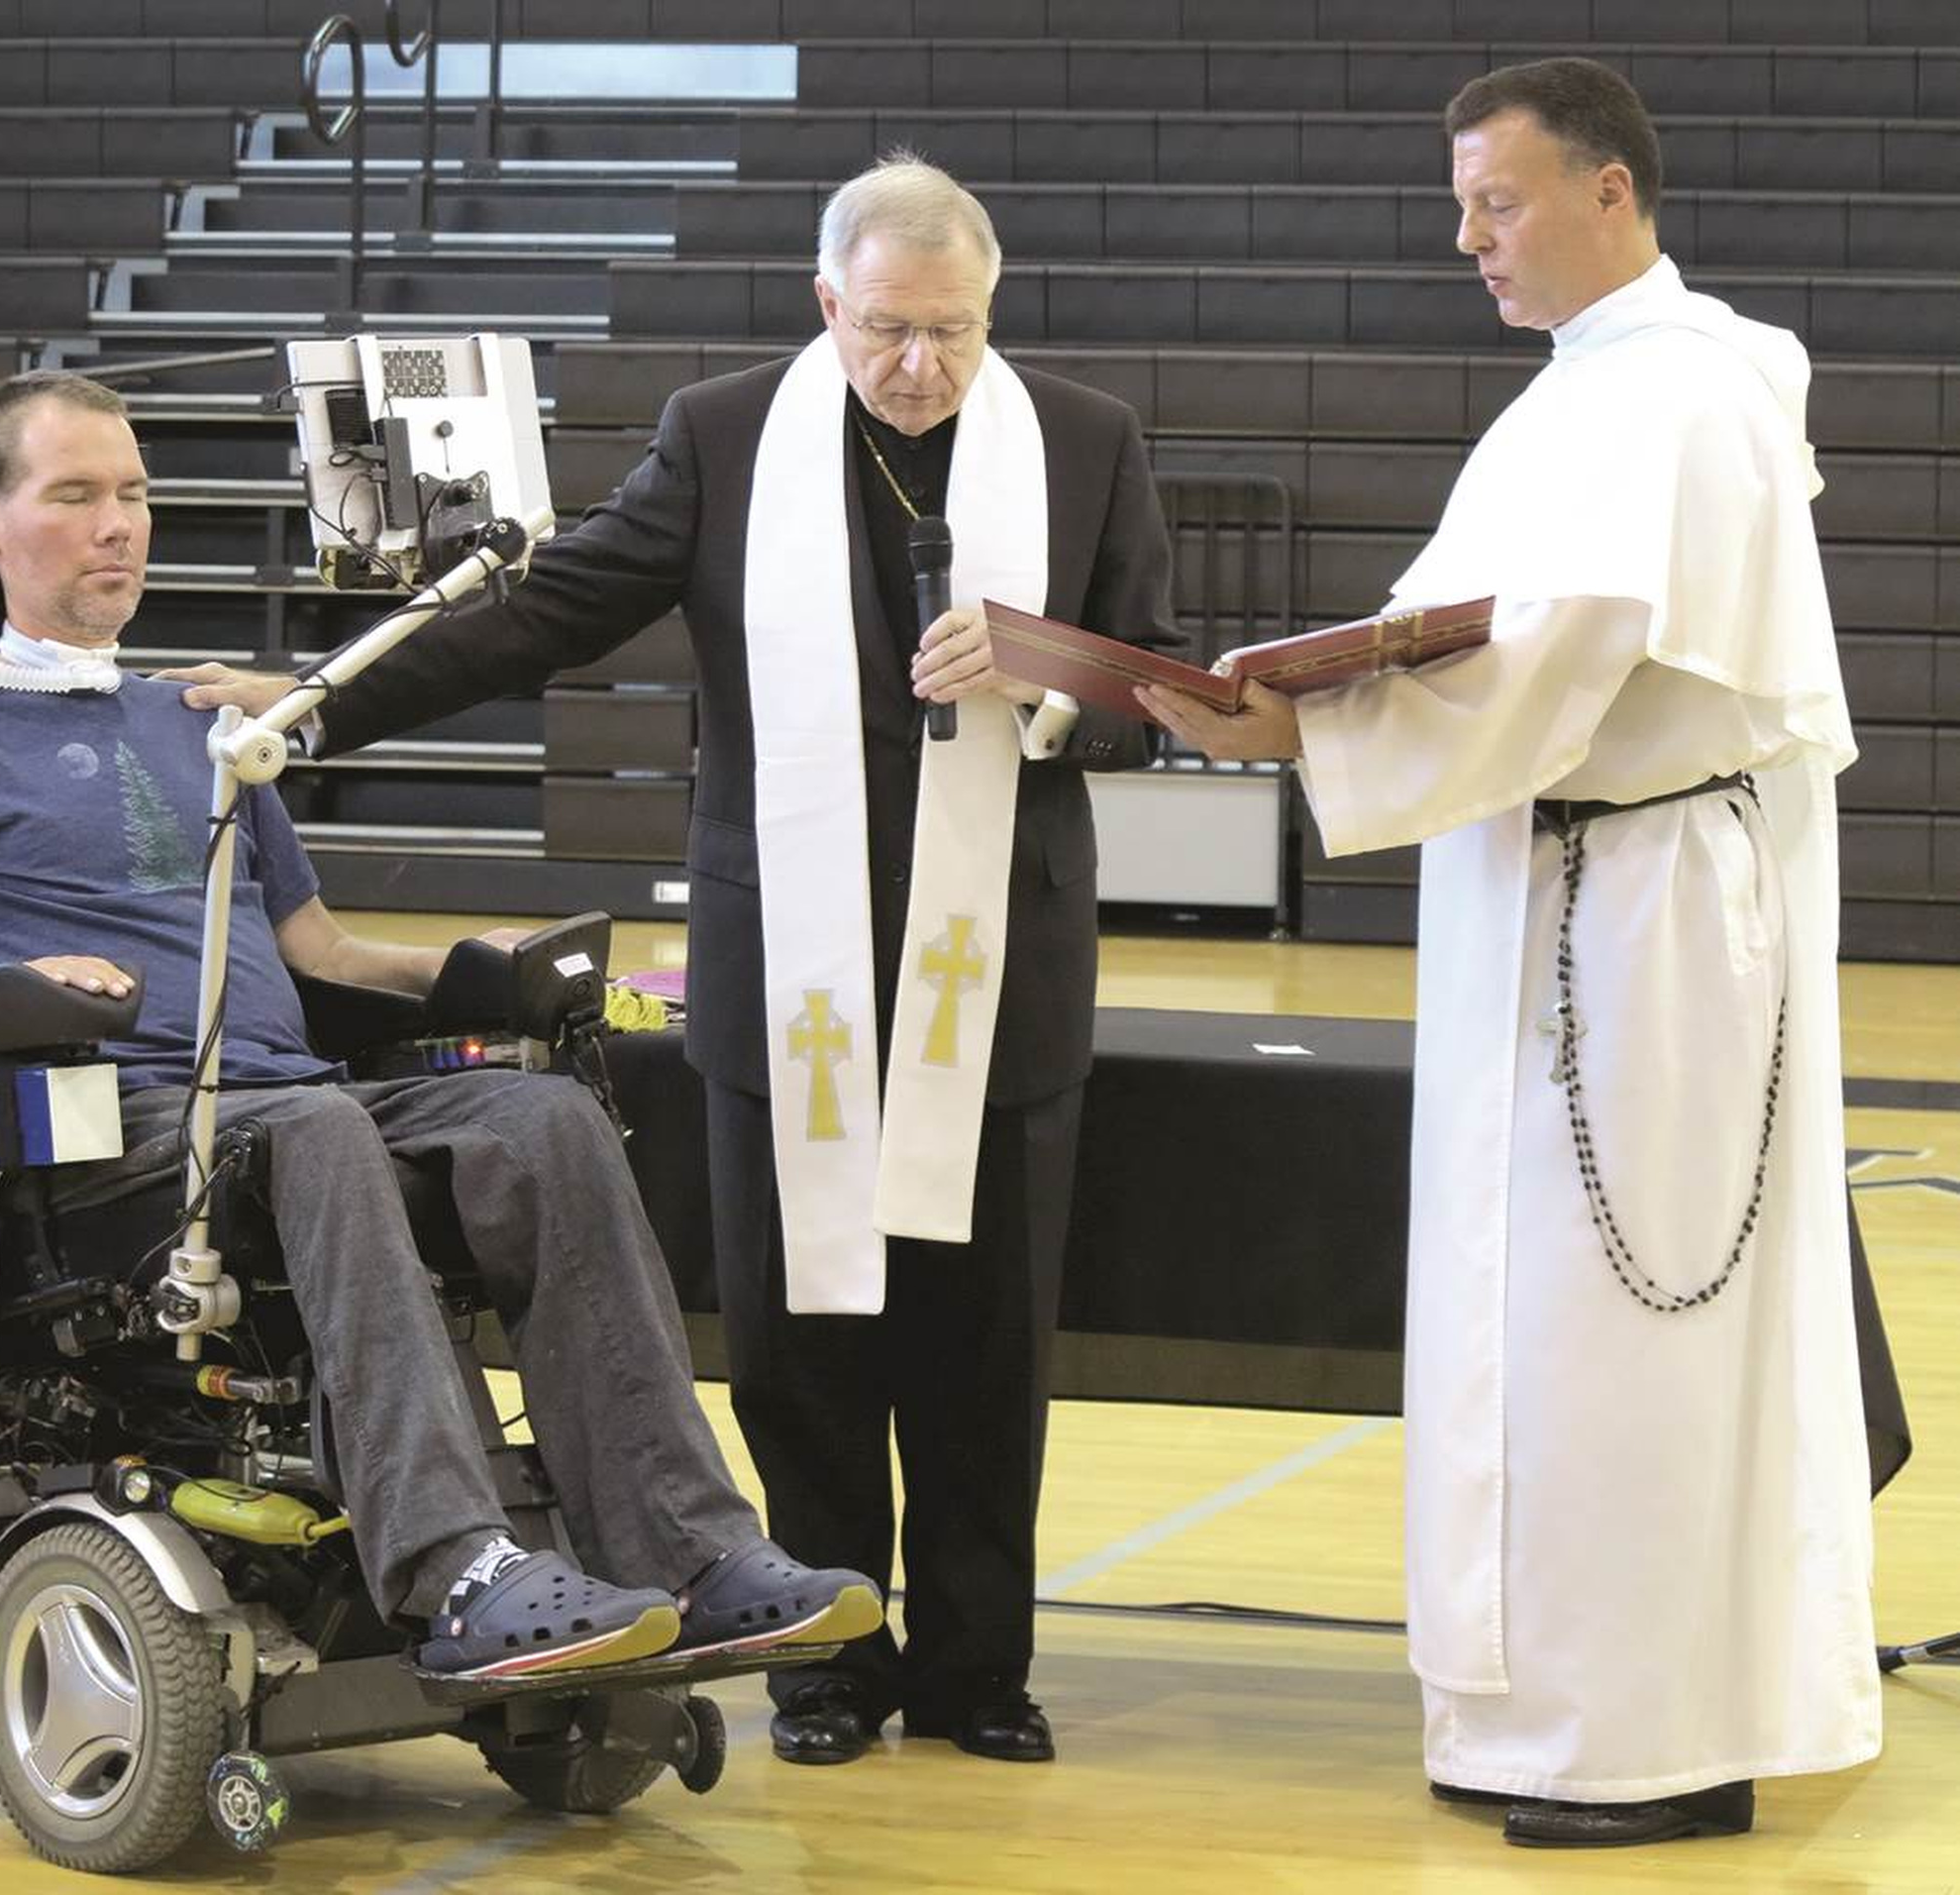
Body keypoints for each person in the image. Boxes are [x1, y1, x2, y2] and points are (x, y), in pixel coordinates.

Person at [173, 158, 1177, 1763]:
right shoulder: (723, 435)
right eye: (889, 331)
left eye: (956, 333)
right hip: (787, 963)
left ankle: (983, 1665)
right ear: (824, 302)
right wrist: (321, 699)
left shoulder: (1086, 437)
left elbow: (1153, 684)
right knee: (800, 1329)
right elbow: (545, 615)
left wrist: (1051, 670)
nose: (921, 366)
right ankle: (828, 1657)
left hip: (1001, 962)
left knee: (990, 1335)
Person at [0, 368, 882, 1682]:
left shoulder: (206, 725)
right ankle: (460, 1570)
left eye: (135, 495)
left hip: (278, 1093)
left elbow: (322, 955)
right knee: (317, 1128)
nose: (119, 525)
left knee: (540, 1116)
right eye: (76, 495)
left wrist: (498, 973)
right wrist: (9, 997)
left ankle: (695, 1551)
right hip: (112, 1141)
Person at [1136, 59, 1879, 1847]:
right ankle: (1550, 1717)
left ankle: (1649, 1743)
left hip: (1646, 927)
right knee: (1532, 1322)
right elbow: (1468, 636)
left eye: (1502, 202)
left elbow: (1566, 646)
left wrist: (1300, 733)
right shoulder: (1585, 393)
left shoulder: (1680, 397)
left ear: (1612, 191)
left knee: (1614, 1326)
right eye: (1461, 205)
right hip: (1558, 894)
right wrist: (1313, 697)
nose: (1469, 239)